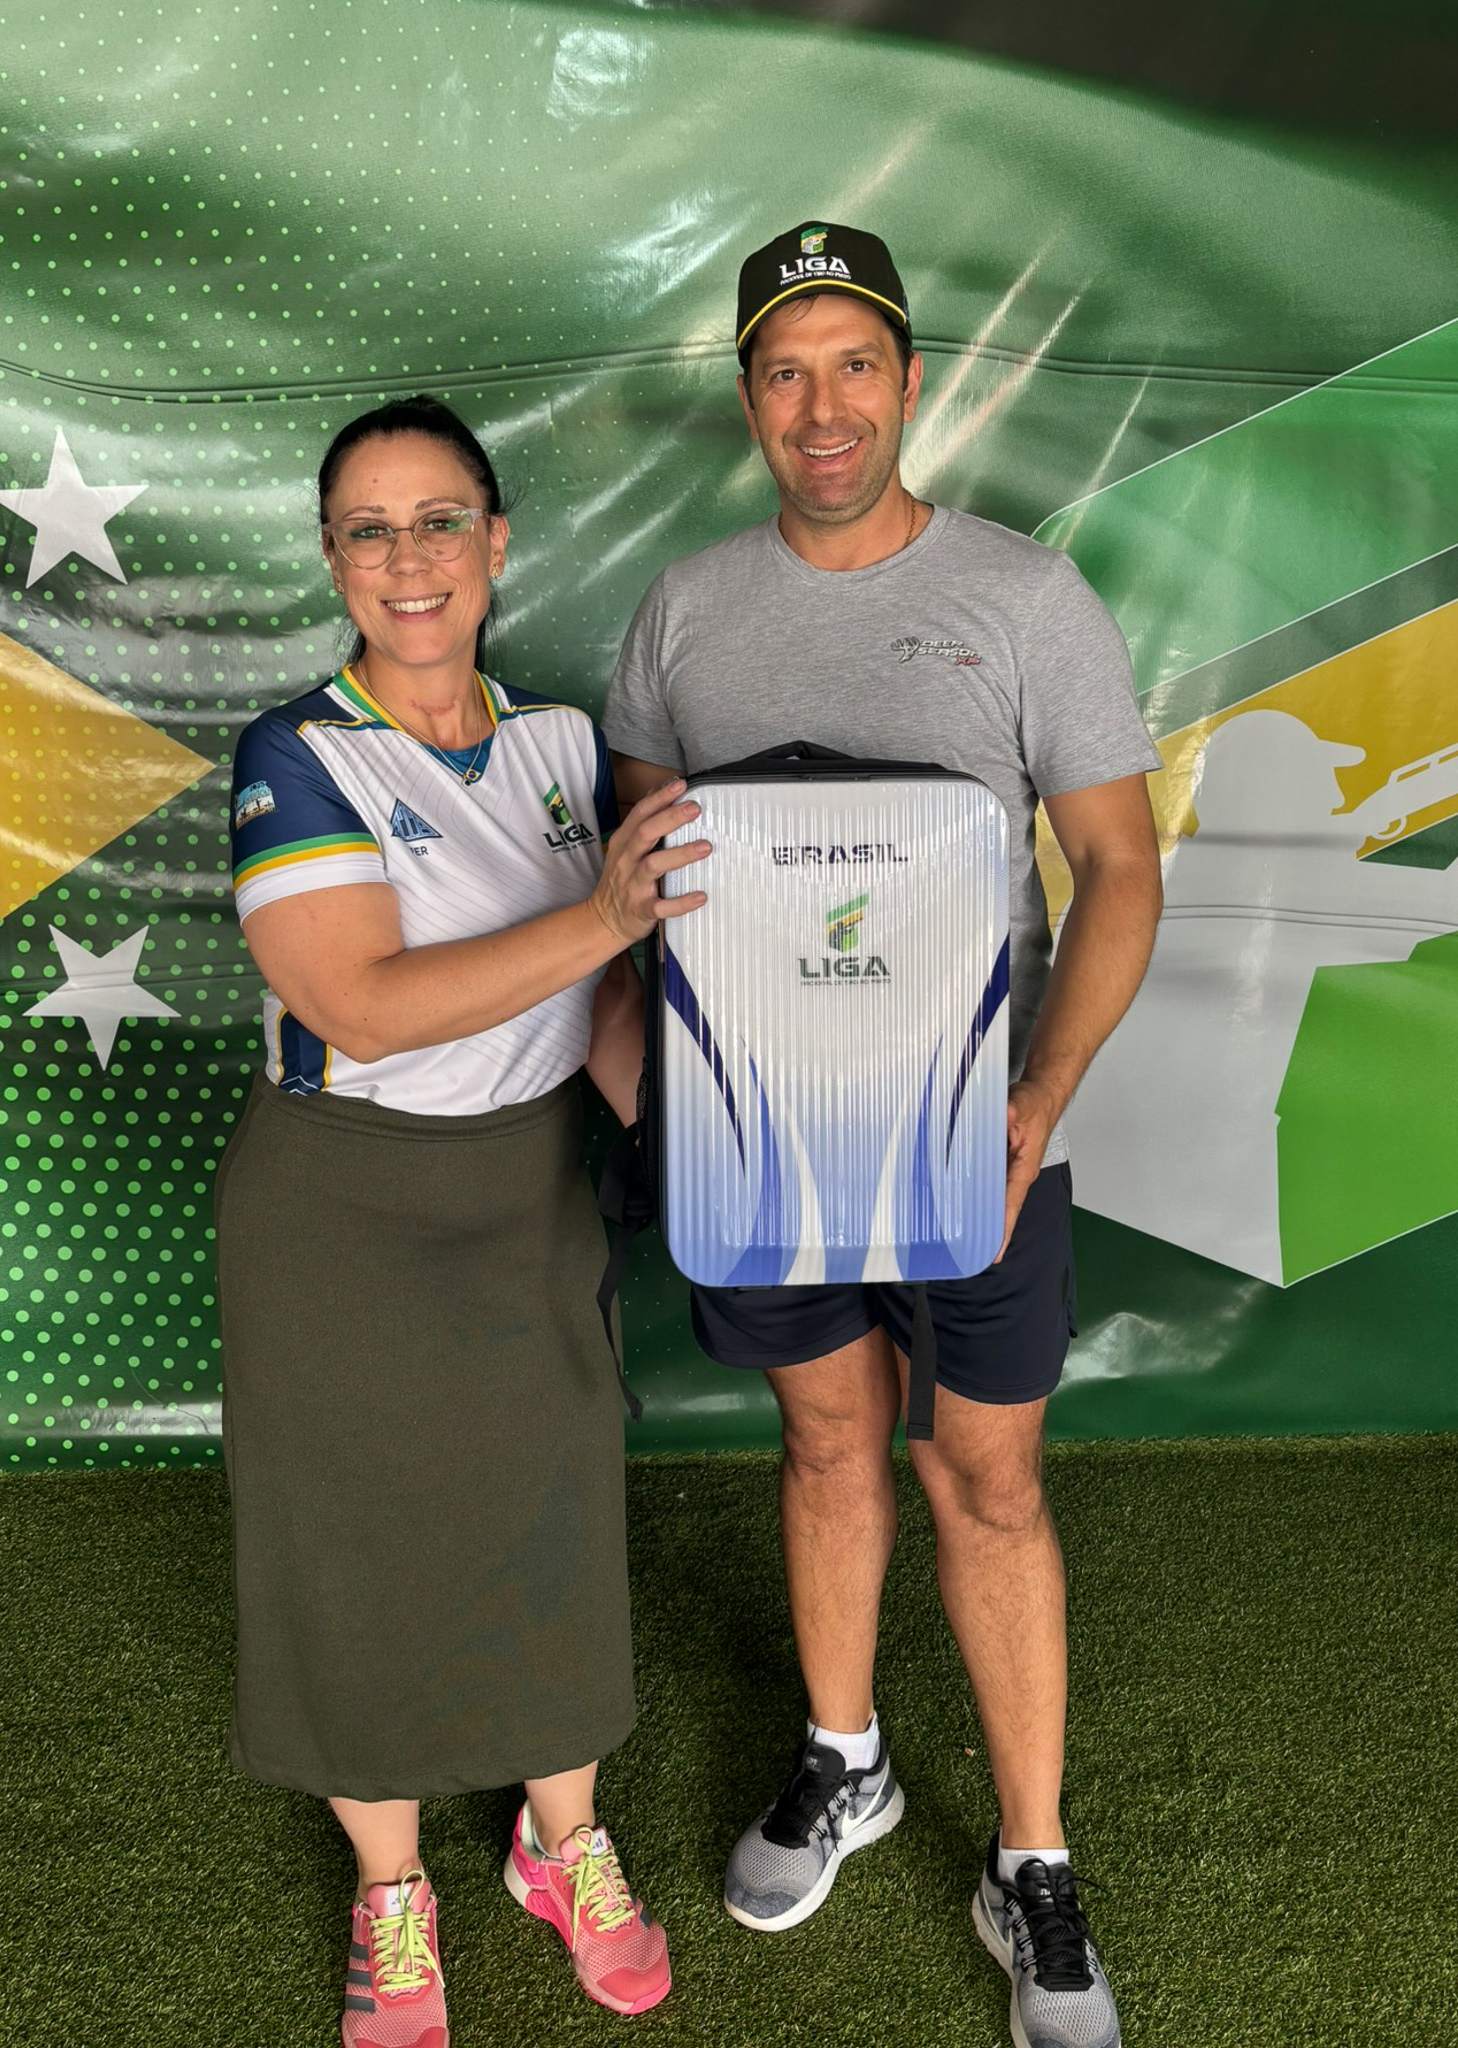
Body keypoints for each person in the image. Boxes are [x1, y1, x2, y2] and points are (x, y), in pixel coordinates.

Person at [604, 224, 1163, 2048]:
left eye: (855, 364)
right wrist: (666, 1093)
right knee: (828, 1441)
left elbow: (1121, 869)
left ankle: (1033, 1859)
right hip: (767, 1141)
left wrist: (1036, 1103)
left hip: (974, 1142)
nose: (822, 406)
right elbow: (637, 874)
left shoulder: (1024, 596)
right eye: (786, 370)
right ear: (748, 398)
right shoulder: (686, 611)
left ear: (911, 382)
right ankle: (845, 1759)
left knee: (984, 1480)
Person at [216, 395, 707, 2048]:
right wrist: (605, 916)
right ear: (332, 563)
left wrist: (705, 1155)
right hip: (339, 1206)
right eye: (369, 529)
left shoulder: (566, 744)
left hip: (530, 1190)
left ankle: (563, 1849)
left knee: (550, 1517)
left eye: (440, 520)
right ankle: (392, 1890)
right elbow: (357, 1001)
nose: (408, 557)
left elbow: (606, 1006)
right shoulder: (297, 752)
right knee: (353, 1547)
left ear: (496, 541)